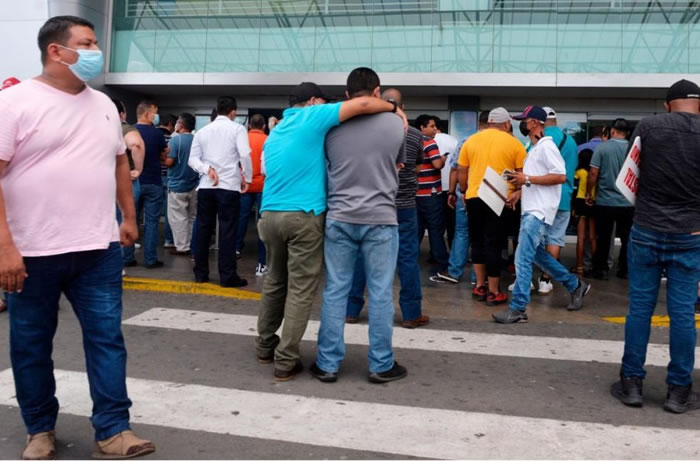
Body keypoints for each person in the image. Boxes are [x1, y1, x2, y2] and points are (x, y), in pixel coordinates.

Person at [0, 15, 155, 459]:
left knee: (107, 339)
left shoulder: (104, 104)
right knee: (30, 343)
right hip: (32, 251)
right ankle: (39, 429)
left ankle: (113, 429)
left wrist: (128, 216)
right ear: (56, 50)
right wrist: (4, 246)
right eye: (87, 44)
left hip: (98, 248)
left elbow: (118, 163)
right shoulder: (15, 102)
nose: (95, 52)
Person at [256, 81, 407, 382]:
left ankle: (279, 350)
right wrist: (395, 107)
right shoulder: (316, 119)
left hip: (271, 214)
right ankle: (288, 360)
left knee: (279, 279)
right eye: (324, 102)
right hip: (311, 214)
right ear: (313, 101)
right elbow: (366, 110)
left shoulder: (278, 130)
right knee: (309, 289)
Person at [312, 68, 407, 384]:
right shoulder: (397, 124)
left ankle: (327, 363)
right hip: (380, 218)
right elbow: (398, 164)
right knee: (380, 293)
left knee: (336, 289)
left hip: (340, 216)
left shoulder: (332, 125)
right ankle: (381, 364)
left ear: (347, 94)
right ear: (377, 92)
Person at [610, 79, 700, 414]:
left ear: (668, 105)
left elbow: (630, 172)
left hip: (647, 228)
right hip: (690, 234)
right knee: (682, 314)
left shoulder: (648, 126)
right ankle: (678, 391)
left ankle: (631, 383)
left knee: (640, 310)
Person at [492, 106, 590, 324]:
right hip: (533, 209)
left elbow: (560, 176)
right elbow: (536, 178)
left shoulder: (546, 147)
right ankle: (575, 285)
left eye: (524, 120)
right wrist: (519, 190)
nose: (522, 124)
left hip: (538, 212)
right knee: (537, 255)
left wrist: (526, 180)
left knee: (522, 258)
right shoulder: (536, 147)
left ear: (535, 122)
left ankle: (518, 308)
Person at [346, 88, 429, 329]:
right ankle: (411, 313)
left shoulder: (370, 132)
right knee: (407, 258)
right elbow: (416, 166)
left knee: (362, 255)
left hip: (374, 203)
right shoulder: (414, 135)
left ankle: (351, 310)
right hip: (404, 206)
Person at [457, 107, 526, 306]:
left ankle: (479, 285)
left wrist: (464, 190)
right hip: (499, 198)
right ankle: (494, 291)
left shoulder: (471, 140)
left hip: (474, 196)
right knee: (494, 243)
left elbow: (462, 169)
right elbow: (520, 174)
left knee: (477, 241)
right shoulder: (515, 143)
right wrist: (517, 191)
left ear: (489, 122)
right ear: (506, 124)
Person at [188, 96, 252, 288]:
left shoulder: (203, 131)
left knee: (203, 229)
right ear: (233, 111)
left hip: (207, 186)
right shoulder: (237, 129)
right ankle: (227, 276)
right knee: (227, 231)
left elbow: (193, 160)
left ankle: (201, 273)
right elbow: (245, 155)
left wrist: (207, 169)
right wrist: (247, 178)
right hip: (228, 186)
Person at [431, 110, 490, 285]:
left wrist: (453, 192)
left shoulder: (466, 141)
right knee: (484, 235)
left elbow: (456, 169)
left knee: (462, 233)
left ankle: (454, 271)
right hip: (488, 196)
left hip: (466, 193)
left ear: (479, 123)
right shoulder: (498, 143)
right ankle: (478, 278)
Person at [537, 107, 579, 295]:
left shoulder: (540, 139)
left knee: (535, 240)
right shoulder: (570, 141)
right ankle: (545, 280)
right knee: (554, 239)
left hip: (542, 196)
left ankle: (526, 280)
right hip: (563, 196)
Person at [586, 118, 634, 280]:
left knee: (604, 237)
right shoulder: (633, 150)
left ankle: (601, 269)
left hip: (605, 201)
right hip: (628, 202)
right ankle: (625, 269)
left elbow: (593, 174)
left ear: (612, 131)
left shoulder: (602, 148)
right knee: (628, 238)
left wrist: (588, 193)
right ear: (627, 133)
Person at [134, 100, 168, 269]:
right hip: (153, 182)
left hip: (133, 182)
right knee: (152, 222)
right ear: (147, 114)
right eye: (155, 112)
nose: (156, 116)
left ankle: (126, 258)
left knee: (131, 220)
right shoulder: (157, 134)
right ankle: (150, 259)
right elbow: (164, 157)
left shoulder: (129, 132)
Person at [112, 99, 145, 267]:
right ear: (122, 114)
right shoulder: (124, 128)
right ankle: (122, 261)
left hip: (101, 182)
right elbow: (136, 144)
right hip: (124, 181)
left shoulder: (93, 128)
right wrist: (137, 169)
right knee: (125, 219)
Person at [415, 114, 449, 274]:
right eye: (432, 126)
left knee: (416, 230)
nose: (435, 129)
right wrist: (442, 158)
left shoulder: (411, 141)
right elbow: (436, 164)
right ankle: (442, 263)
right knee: (435, 229)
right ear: (422, 127)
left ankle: (409, 262)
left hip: (415, 193)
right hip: (431, 193)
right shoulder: (429, 142)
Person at [236, 114, 267, 276]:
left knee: (241, 217)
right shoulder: (268, 139)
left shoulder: (243, 139)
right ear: (263, 126)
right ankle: (262, 258)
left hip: (245, 184)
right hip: (262, 185)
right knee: (263, 221)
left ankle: (236, 248)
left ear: (249, 126)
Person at [165, 112, 198, 255]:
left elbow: (170, 162)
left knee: (178, 218)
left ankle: (182, 247)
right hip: (195, 185)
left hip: (177, 186)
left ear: (181, 125)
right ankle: (192, 244)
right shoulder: (197, 140)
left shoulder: (175, 141)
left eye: (177, 122)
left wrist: (161, 158)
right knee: (192, 217)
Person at [572, 149, 596, 275]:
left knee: (581, 237)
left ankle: (580, 267)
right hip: (592, 202)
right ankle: (594, 266)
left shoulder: (579, 173)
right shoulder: (595, 173)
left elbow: (573, 183)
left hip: (581, 202)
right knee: (592, 237)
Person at [435, 127, 459, 246]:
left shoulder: (429, 140)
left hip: (434, 188)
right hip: (450, 187)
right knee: (452, 223)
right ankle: (453, 249)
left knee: (436, 224)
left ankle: (436, 252)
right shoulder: (453, 140)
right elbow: (456, 166)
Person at [157, 114, 177, 249]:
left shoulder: (152, 135)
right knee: (169, 210)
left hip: (152, 177)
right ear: (170, 124)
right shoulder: (171, 139)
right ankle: (169, 240)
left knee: (151, 214)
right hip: (167, 177)